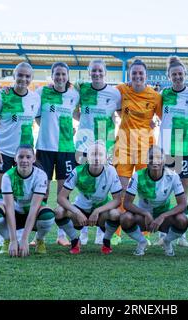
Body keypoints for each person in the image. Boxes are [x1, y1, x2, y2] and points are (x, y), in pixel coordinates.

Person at [0, 62, 40, 247]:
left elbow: (42, 121)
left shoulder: (35, 98)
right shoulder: (3, 96)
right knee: (0, 195)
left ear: (31, 79)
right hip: (4, 153)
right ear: (14, 76)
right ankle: (4, 237)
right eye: (20, 75)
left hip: (25, 155)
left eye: (27, 76)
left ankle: (22, 233)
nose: (23, 79)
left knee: (23, 194)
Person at [113, 59, 163, 245]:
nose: (137, 76)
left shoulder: (155, 97)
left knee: (146, 193)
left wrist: (153, 123)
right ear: (129, 75)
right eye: (134, 73)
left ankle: (146, 233)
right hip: (123, 146)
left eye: (141, 73)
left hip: (147, 150)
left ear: (146, 76)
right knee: (121, 192)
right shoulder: (121, 89)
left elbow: (164, 118)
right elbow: (116, 106)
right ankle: (116, 233)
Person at [74, 58, 122, 245]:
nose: (96, 74)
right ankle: (83, 228)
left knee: (104, 185)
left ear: (105, 73)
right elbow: (74, 111)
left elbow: (120, 115)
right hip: (83, 145)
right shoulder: (82, 89)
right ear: (88, 72)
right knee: (83, 185)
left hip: (106, 146)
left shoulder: (114, 93)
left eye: (100, 71)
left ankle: (102, 230)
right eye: (93, 71)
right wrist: (85, 122)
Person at [156, 56, 188, 248]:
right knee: (164, 191)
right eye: (174, 74)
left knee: (182, 193)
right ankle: (162, 233)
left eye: (180, 74)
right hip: (166, 147)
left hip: (186, 148)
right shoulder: (163, 94)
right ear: (169, 76)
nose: (177, 77)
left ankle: (180, 234)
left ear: (185, 75)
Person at [34, 62, 80, 247]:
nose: (60, 77)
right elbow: (37, 116)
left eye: (63, 74)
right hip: (45, 148)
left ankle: (62, 235)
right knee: (42, 192)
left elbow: (77, 115)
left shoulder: (74, 95)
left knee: (63, 193)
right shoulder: (41, 92)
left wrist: (69, 130)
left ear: (68, 76)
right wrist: (48, 130)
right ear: (52, 76)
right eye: (57, 74)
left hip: (67, 150)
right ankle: (39, 236)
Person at [0, 144, 55, 256]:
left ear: (34, 159)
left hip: (32, 213)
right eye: (21, 157)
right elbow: (9, 207)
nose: (24, 160)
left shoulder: (41, 175)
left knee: (48, 215)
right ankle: (7, 239)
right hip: (15, 212)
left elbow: (34, 208)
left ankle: (39, 239)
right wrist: (14, 240)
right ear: (15, 158)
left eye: (28, 157)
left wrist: (24, 239)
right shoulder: (8, 176)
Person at [55, 141, 123, 254]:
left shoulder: (111, 171)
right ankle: (74, 240)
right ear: (87, 157)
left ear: (106, 157)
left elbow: (117, 200)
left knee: (116, 214)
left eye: (100, 154)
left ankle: (106, 241)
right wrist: (77, 212)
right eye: (93, 154)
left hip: (101, 214)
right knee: (58, 211)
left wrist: (97, 210)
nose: (96, 158)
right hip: (80, 211)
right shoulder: (78, 171)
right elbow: (61, 198)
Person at [121, 146, 188, 256]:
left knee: (182, 219)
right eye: (151, 157)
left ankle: (167, 241)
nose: (155, 161)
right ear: (147, 160)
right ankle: (142, 242)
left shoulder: (173, 176)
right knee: (125, 218)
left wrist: (163, 216)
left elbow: (183, 204)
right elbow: (127, 203)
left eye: (159, 157)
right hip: (144, 219)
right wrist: (145, 213)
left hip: (164, 219)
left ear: (164, 160)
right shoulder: (138, 175)